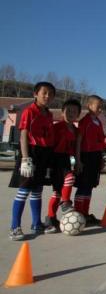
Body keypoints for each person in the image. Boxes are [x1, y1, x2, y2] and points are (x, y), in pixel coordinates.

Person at [9, 82, 56, 240]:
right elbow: (23, 135)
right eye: (44, 93)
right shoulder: (29, 111)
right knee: (24, 190)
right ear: (36, 94)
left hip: (44, 154)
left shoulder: (49, 115)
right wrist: (25, 158)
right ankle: (15, 227)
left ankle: (36, 224)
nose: (47, 96)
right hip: (31, 152)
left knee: (37, 190)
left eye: (50, 94)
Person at [44, 98, 81, 233]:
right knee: (62, 185)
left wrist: (76, 162)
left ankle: (52, 217)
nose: (71, 113)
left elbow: (75, 148)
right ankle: (62, 206)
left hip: (66, 159)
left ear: (78, 115)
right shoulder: (56, 127)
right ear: (62, 112)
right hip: (55, 159)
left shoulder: (76, 130)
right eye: (68, 111)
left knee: (60, 189)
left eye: (74, 112)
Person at [74, 95, 106, 225]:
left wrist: (102, 158)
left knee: (90, 187)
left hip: (95, 157)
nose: (100, 109)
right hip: (85, 156)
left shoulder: (98, 122)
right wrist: (78, 160)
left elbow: (101, 142)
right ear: (89, 106)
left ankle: (85, 214)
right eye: (98, 106)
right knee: (83, 186)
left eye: (101, 107)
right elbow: (79, 141)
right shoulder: (84, 122)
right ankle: (78, 214)